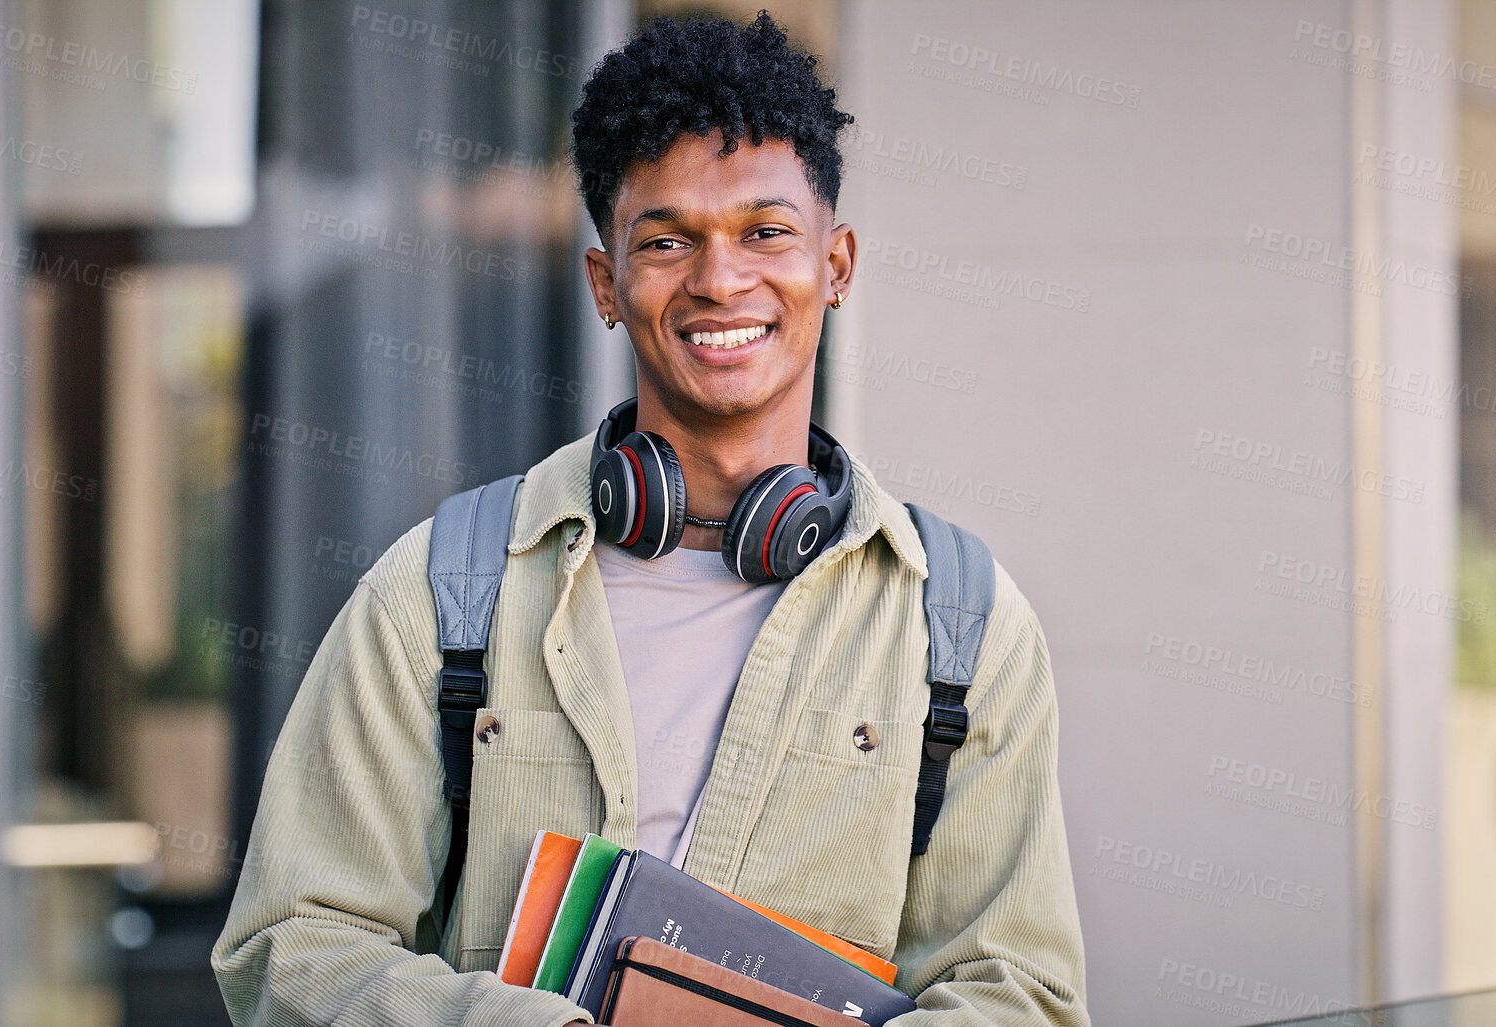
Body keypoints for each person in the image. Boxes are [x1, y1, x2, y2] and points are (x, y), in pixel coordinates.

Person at [210, 13, 1088, 1026]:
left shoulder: (965, 628)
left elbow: (1022, 994)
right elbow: (290, 950)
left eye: (766, 233)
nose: (721, 279)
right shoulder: (440, 594)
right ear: (606, 284)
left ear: (836, 266)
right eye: (668, 240)